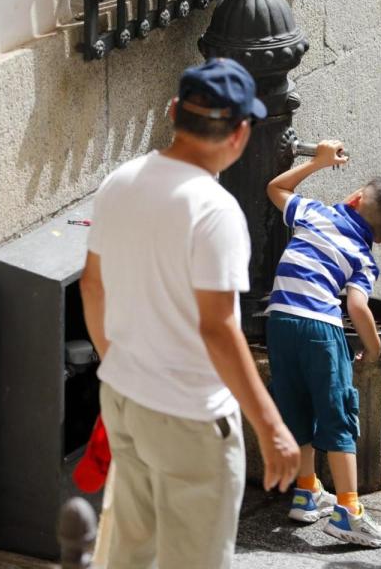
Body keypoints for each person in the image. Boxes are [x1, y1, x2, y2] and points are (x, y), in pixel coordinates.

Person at [79, 58, 300, 568]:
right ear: (240, 133)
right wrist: (271, 427)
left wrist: (124, 364)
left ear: (175, 111)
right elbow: (218, 328)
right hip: (189, 415)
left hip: (124, 397)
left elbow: (93, 285)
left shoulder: (121, 180)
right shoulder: (214, 210)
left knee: (128, 552)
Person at [264, 141, 381, 548]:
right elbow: (357, 306)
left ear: (352, 198)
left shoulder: (315, 213)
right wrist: (373, 346)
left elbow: (276, 190)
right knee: (338, 415)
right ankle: (348, 510)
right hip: (320, 330)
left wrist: (316, 163)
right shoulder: (364, 257)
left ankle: (305, 489)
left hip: (279, 321)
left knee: (295, 404)